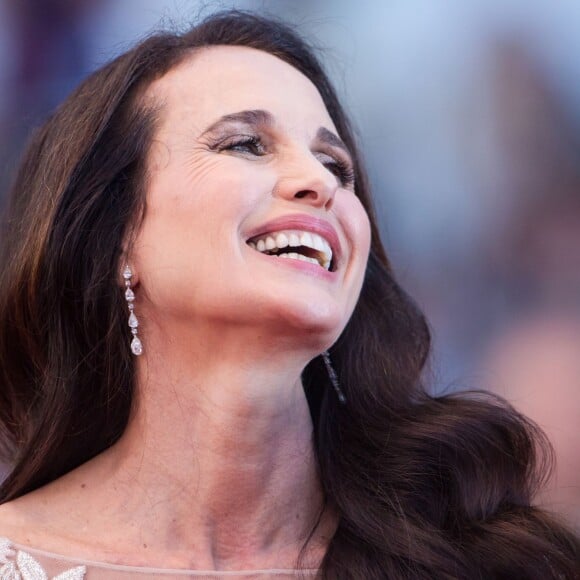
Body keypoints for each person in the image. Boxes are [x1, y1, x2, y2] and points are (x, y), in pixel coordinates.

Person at [0, 10, 577, 579]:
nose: (321, 182)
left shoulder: (481, 556)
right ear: (116, 235)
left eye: (336, 164)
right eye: (246, 144)